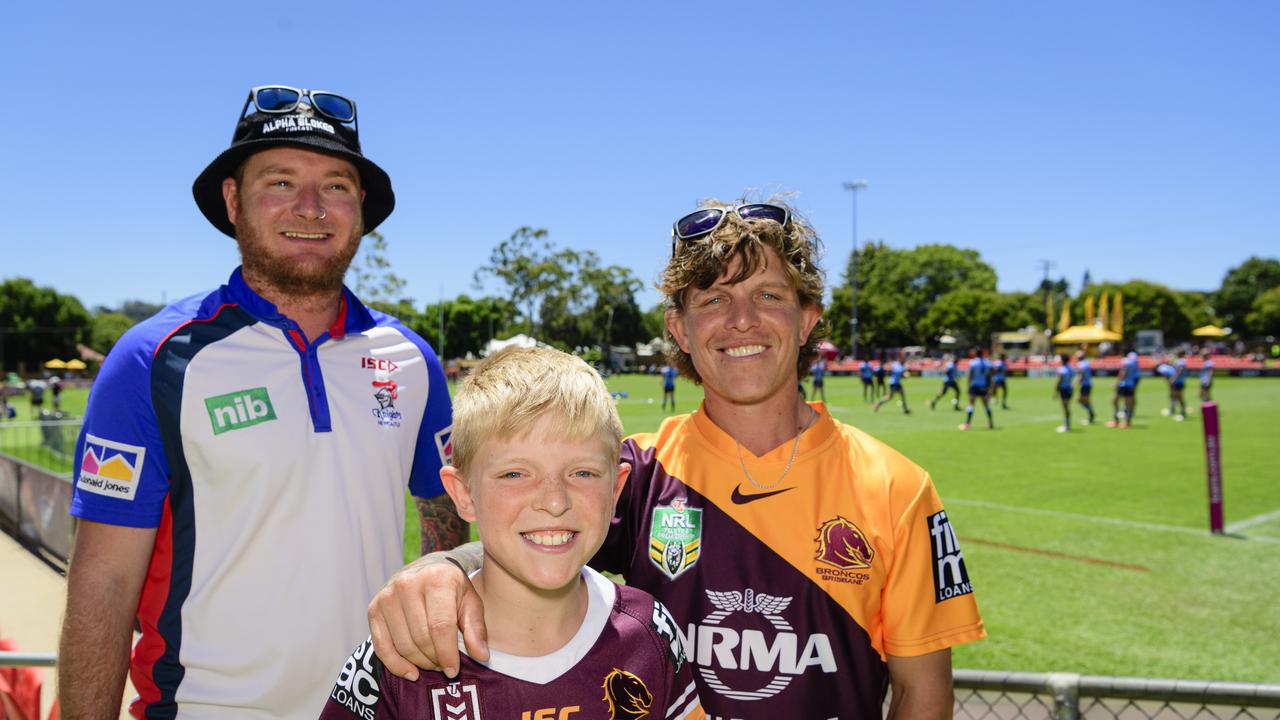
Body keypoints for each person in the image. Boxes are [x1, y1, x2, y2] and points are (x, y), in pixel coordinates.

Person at [368, 198, 985, 719]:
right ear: (681, 330)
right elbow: (533, 524)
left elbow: (921, 691)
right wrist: (441, 568)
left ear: (808, 321)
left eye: (769, 294)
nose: (742, 320)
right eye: (713, 300)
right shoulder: (638, 472)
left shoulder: (898, 487)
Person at [59, 84, 466, 718]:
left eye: (335, 185)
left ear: (360, 207)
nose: (311, 207)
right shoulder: (154, 359)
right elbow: (101, 589)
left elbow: (445, 531)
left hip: (374, 707)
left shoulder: (412, 359)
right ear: (233, 200)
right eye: (279, 182)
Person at [319, 347, 704, 719]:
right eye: (515, 474)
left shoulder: (651, 631)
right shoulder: (400, 653)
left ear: (616, 490)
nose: (554, 502)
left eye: (582, 473)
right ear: (463, 494)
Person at [960, 347, 994, 431]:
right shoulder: (988, 363)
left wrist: (968, 386)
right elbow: (990, 376)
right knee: (986, 405)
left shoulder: (973, 363)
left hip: (974, 386)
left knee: (971, 404)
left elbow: (970, 375)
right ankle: (990, 423)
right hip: (984, 386)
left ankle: (967, 423)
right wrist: (990, 387)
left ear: (975, 354)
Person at [1107, 350, 1140, 428]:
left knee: (1115, 401)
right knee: (1128, 404)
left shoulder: (1126, 362)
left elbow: (1123, 373)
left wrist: (1117, 384)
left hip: (1123, 385)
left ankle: (1116, 420)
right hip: (1131, 385)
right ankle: (1127, 422)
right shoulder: (1135, 363)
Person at [1053, 353, 1075, 433]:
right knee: (1067, 407)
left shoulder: (1061, 369)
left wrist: (1056, 391)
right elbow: (1072, 377)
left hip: (1064, 389)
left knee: (1065, 408)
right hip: (1069, 389)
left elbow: (1059, 381)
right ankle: (1067, 424)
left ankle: (1067, 426)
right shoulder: (1071, 368)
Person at [1074, 349, 1095, 426]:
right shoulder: (1086, 363)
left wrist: (1075, 384)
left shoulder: (1081, 364)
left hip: (1085, 385)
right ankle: (1091, 414)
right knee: (1085, 401)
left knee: (1080, 401)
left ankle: (1091, 414)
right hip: (1088, 384)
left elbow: (1081, 375)